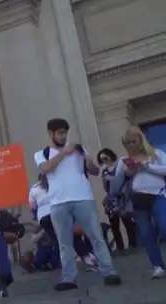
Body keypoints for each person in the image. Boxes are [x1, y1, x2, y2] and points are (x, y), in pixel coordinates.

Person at [34, 118, 121, 291]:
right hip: (58, 202)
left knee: (95, 236)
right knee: (64, 242)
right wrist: (63, 153)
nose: (63, 136)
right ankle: (69, 278)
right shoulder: (41, 153)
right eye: (59, 133)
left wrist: (88, 161)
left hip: (83, 198)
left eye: (65, 132)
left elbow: (95, 171)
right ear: (51, 134)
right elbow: (44, 169)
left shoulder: (79, 150)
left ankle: (109, 272)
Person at [116, 126, 166, 279]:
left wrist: (146, 166)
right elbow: (117, 182)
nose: (131, 145)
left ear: (140, 139)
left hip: (157, 194)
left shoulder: (156, 154)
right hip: (137, 198)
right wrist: (128, 170)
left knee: (164, 225)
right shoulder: (124, 159)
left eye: (133, 141)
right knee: (146, 234)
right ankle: (157, 265)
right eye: (127, 143)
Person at [98, 148, 137, 251]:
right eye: (101, 159)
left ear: (110, 155)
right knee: (114, 226)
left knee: (127, 222)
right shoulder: (105, 171)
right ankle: (120, 247)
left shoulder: (120, 165)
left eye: (105, 157)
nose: (104, 160)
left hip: (123, 198)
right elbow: (105, 188)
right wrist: (104, 179)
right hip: (112, 200)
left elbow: (128, 176)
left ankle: (133, 245)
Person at [28, 175, 61, 272]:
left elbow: (32, 206)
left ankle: (48, 262)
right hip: (55, 213)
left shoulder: (34, 188)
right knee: (58, 239)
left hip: (43, 217)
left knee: (55, 239)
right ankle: (54, 262)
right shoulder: (54, 182)